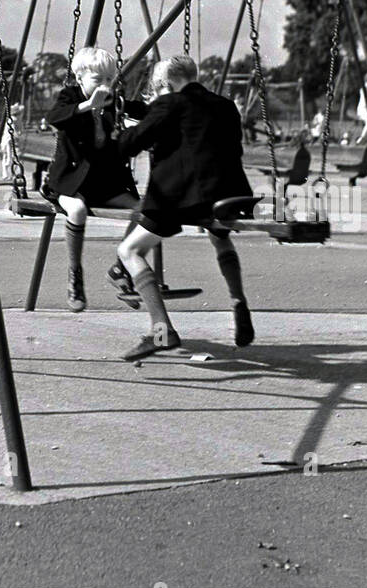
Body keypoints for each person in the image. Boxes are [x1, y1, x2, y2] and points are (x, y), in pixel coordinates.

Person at [113, 55, 256, 362]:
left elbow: (131, 143)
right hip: (229, 194)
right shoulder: (225, 105)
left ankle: (161, 331)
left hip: (182, 198)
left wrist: (118, 132)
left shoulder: (171, 103)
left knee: (130, 251)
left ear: (165, 85)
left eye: (156, 88)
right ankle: (238, 300)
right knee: (219, 236)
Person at [42, 47, 144, 313]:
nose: (105, 86)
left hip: (103, 183)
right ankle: (75, 274)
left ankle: (120, 267)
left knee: (145, 211)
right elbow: (54, 117)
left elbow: (144, 111)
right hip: (70, 183)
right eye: (98, 80)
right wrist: (88, 106)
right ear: (80, 79)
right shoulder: (70, 98)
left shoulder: (114, 102)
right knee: (76, 211)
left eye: (109, 80)